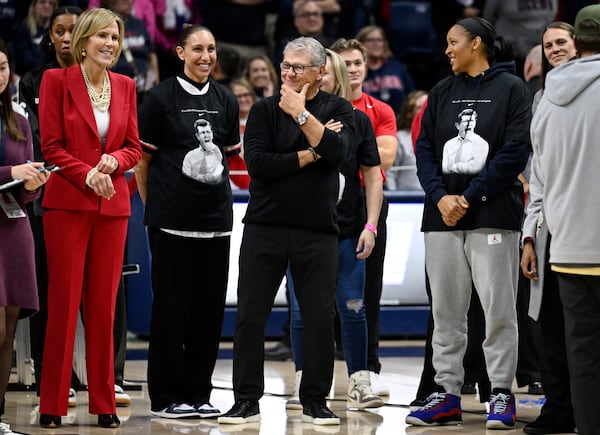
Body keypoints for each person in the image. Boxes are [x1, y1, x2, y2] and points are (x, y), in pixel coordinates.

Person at [217, 36, 353, 426]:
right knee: (250, 317)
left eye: (298, 67)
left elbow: (339, 153)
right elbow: (259, 164)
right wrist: (313, 149)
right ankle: (246, 399)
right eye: (286, 66)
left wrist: (300, 115)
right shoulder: (262, 110)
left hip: (318, 230)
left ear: (320, 72)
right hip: (265, 226)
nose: (289, 74)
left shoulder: (339, 108)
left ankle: (314, 401)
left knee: (318, 317)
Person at [405, 17, 531, 429]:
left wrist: (470, 195)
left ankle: (500, 392)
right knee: (446, 311)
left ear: (477, 44)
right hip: (442, 217)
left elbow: (514, 152)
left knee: (498, 310)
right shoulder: (443, 90)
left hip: (492, 214)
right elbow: (423, 147)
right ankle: (446, 393)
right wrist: (441, 197)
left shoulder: (512, 89)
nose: (447, 49)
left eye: (453, 42)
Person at [37, 7, 142, 428]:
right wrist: (89, 174)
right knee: (63, 304)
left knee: (103, 306)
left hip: (113, 206)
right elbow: (51, 147)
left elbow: (133, 146)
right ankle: (52, 403)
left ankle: (104, 403)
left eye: (115, 37)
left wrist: (112, 164)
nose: (110, 44)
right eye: (101, 37)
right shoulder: (56, 81)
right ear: (83, 41)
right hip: (67, 205)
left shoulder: (126, 85)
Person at [135, 25, 240, 419]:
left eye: (211, 49)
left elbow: (230, 160)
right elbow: (143, 164)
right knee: (171, 313)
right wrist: (157, 212)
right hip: (171, 223)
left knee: (208, 314)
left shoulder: (225, 99)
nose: (206, 56)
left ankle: (199, 393)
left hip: (216, 222)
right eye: (197, 49)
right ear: (180, 52)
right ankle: (165, 397)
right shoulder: (159, 99)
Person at [285, 47, 383, 411]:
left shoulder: (358, 121)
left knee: (353, 307)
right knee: (301, 311)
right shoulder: (290, 116)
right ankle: (304, 380)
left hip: (347, 229)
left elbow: (372, 177)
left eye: (325, 73)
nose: (317, 78)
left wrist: (371, 225)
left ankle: (360, 381)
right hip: (304, 229)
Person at [529, 6, 600, 433]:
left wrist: (532, 234)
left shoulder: (546, 100)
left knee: (584, 352)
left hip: (566, 246)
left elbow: (539, 175)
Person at [330, 37, 398, 397]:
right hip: (328, 203)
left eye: (357, 62)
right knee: (321, 293)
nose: (352, 68)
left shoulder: (379, 110)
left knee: (368, 290)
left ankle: (368, 369)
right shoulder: (321, 107)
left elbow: (384, 159)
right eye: (345, 62)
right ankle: (317, 371)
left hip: (369, 204)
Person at [520, 20, 577, 435]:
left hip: (584, 226)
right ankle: (559, 407)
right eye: (548, 45)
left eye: (562, 42)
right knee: (551, 326)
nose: (554, 49)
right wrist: (529, 236)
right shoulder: (540, 98)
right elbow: (537, 175)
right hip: (549, 226)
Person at [0, 38, 50, 434]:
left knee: (11, 325)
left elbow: (26, 190)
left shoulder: (19, 123)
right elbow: (10, 175)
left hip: (14, 229)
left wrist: (34, 180)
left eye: (2, 67)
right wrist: (11, 174)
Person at [355, 25, 416, 115]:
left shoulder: (396, 67)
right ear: (361, 44)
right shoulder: (356, 71)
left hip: (400, 121)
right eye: (371, 40)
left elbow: (412, 96)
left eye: (380, 40)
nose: (376, 44)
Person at [386, 89, 426, 191]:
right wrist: (394, 199)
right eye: (419, 107)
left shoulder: (442, 138)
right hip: (406, 199)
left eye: (428, 107)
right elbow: (389, 172)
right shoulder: (400, 138)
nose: (425, 111)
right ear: (410, 111)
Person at [12, 0, 57, 77]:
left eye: (51, 3)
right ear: (34, 5)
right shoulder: (23, 29)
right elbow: (25, 60)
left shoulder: (57, 31)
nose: (47, 6)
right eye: (42, 2)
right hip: (28, 76)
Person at [228, 78, 254, 190]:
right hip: (232, 184)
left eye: (246, 94)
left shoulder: (265, 122)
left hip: (259, 185)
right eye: (238, 96)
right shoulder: (226, 126)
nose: (243, 99)